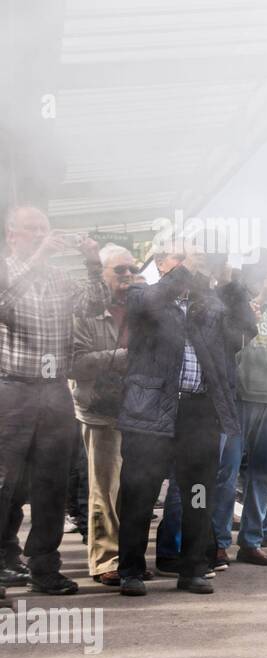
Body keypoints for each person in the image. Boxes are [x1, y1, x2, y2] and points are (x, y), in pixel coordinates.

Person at [114, 241, 252, 596]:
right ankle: (130, 569)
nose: (198, 265)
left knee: (198, 493)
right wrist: (185, 273)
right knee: (139, 493)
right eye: (189, 259)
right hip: (152, 410)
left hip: (199, 412)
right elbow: (146, 305)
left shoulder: (209, 306)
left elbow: (243, 331)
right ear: (163, 264)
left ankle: (192, 569)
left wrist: (232, 284)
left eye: (200, 260)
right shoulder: (143, 295)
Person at [0, 206, 102, 597]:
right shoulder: (8, 271)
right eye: (32, 230)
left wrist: (92, 261)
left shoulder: (60, 278)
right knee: (5, 481)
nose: (41, 236)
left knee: (51, 484)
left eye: (45, 230)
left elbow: (94, 305)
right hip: (12, 388)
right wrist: (39, 257)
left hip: (54, 388)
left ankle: (44, 567)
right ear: (13, 235)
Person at [210, 250, 267, 568]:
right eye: (263, 273)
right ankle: (218, 542)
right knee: (227, 472)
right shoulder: (237, 303)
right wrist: (257, 298)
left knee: (263, 473)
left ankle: (251, 541)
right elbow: (228, 342)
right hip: (241, 396)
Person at [69, 244, 138, 585]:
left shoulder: (140, 311)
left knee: (131, 488)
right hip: (99, 408)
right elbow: (76, 362)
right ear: (102, 274)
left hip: (135, 409)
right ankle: (104, 561)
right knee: (104, 488)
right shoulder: (86, 312)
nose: (128, 276)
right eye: (119, 270)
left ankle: (126, 557)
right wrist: (125, 356)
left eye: (131, 269)